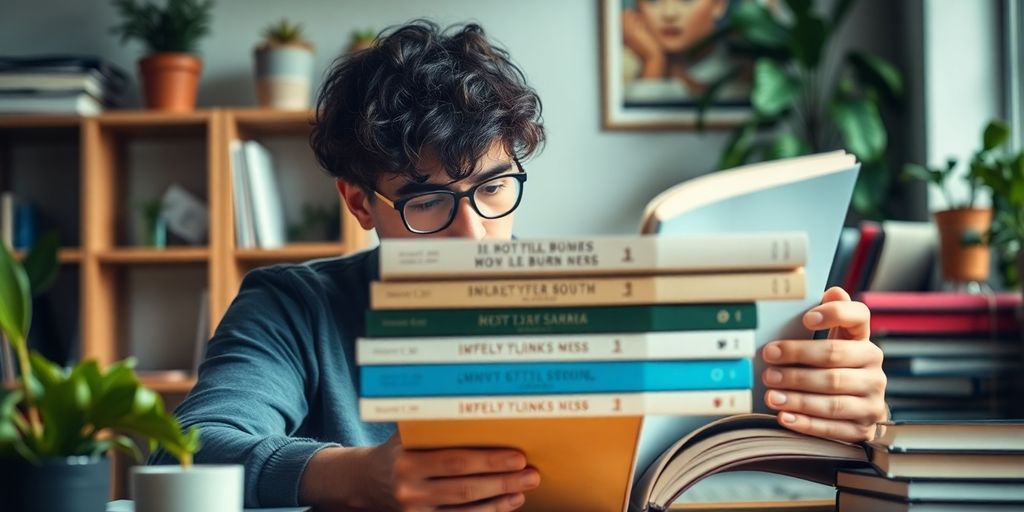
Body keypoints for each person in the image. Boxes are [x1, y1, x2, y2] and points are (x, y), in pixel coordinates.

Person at [151, 20, 887, 511]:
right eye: (429, 201)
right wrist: (356, 477)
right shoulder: (292, 307)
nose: (474, 234)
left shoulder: (600, 302)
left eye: (494, 188)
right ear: (360, 202)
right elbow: (193, 451)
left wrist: (853, 411)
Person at [621, 0, 747, 104]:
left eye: (686, 0)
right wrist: (654, 60)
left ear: (719, 5)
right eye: (654, 1)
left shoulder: (742, 69)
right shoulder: (620, 66)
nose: (669, 14)